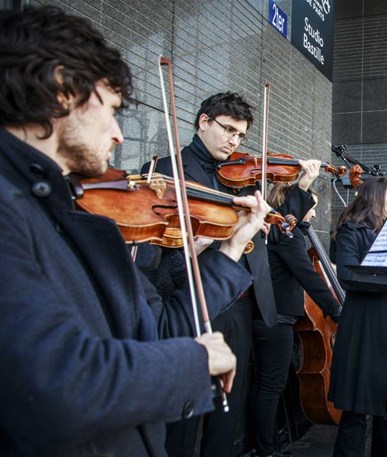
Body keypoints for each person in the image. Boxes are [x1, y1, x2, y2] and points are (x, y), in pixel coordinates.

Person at [0, 6, 272, 455]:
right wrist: (192, 362)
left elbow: (159, 327)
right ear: (63, 90)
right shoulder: (13, 211)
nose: (118, 135)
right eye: (110, 111)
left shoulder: (67, 214)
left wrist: (231, 247)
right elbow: (57, 387)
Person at [139, 92, 320, 456]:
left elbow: (282, 228)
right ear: (203, 122)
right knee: (183, 416)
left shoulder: (242, 179)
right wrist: (202, 242)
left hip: (242, 306)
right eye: (228, 130)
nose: (234, 142)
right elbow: (149, 264)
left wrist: (293, 197)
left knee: (228, 409)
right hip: (191, 303)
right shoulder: (165, 173)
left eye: (240, 135)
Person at [251, 186, 342, 457]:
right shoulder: (287, 235)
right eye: (310, 206)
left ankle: (263, 445)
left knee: (265, 383)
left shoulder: (277, 231)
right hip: (276, 318)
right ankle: (265, 449)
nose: (313, 213)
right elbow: (309, 277)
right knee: (271, 385)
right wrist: (336, 310)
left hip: (267, 315)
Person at [329, 177, 387, 457]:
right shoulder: (352, 229)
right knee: (357, 411)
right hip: (365, 326)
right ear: (376, 197)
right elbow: (347, 274)